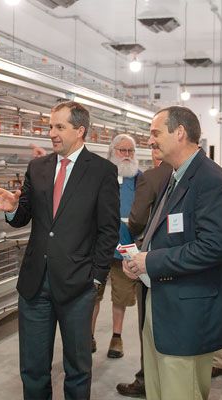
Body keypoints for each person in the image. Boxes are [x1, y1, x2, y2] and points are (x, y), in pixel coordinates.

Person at [0, 101, 119, 400]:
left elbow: (107, 230)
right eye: (50, 126)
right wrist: (11, 209)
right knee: (32, 368)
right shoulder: (38, 167)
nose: (52, 133)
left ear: (80, 130)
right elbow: (24, 217)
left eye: (60, 127)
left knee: (77, 368)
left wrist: (96, 279)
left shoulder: (102, 172)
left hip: (77, 286)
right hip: (35, 284)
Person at [123, 106, 222, 400]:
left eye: (155, 133)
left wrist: (151, 261)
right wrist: (140, 261)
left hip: (187, 313)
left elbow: (213, 247)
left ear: (179, 133)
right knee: (159, 389)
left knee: (181, 391)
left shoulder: (210, 180)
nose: (150, 140)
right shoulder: (174, 177)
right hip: (163, 303)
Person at [115, 157, 172, 398]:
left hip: (149, 257)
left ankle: (147, 379)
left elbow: (137, 219)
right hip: (178, 262)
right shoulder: (199, 175)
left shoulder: (151, 176)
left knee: (147, 323)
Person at [92, 134, 141, 358]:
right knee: (93, 293)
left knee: (121, 296)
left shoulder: (140, 179)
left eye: (130, 151)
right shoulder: (102, 175)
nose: (127, 155)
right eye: (122, 150)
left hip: (126, 246)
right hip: (100, 245)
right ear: (112, 152)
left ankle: (116, 338)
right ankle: (88, 336)